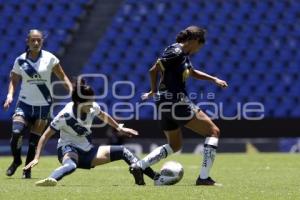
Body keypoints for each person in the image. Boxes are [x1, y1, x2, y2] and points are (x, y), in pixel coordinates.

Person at [130, 26, 228, 186]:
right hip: (176, 101)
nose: (198, 50)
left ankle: (139, 166)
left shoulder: (183, 55)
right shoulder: (175, 52)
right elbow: (153, 70)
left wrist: (213, 79)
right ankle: (204, 178)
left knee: (175, 145)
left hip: (165, 103)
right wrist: (153, 91)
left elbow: (193, 72)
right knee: (213, 131)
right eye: (200, 46)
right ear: (195, 40)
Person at [24, 79, 158, 186]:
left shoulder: (93, 107)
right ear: (77, 102)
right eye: (89, 102)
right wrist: (36, 157)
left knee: (124, 151)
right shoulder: (64, 115)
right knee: (71, 165)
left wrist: (119, 128)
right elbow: (45, 136)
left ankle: (156, 177)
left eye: (93, 100)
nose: (92, 104)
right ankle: (51, 179)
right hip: (68, 149)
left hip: (88, 151)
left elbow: (104, 115)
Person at [3, 29, 73, 179]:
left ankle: (26, 170)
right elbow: (14, 80)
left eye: (38, 40)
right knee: (16, 133)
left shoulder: (50, 58)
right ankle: (16, 161)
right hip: (25, 104)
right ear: (27, 41)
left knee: (34, 142)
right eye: (33, 40)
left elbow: (63, 77)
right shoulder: (20, 60)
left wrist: (73, 92)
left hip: (43, 106)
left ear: (42, 41)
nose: (35, 43)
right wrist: (10, 95)